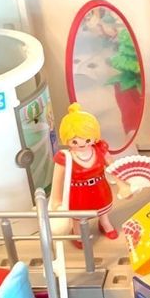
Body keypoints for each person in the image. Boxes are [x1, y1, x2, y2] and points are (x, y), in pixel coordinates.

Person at [50, 104, 118, 245]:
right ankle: (77, 232)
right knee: (77, 217)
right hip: (78, 193)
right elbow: (57, 181)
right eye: (75, 141)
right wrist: (56, 200)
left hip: (100, 188)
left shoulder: (100, 150)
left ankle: (105, 223)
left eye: (87, 140)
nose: (82, 144)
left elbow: (114, 167)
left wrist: (122, 183)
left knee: (103, 210)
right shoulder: (65, 157)